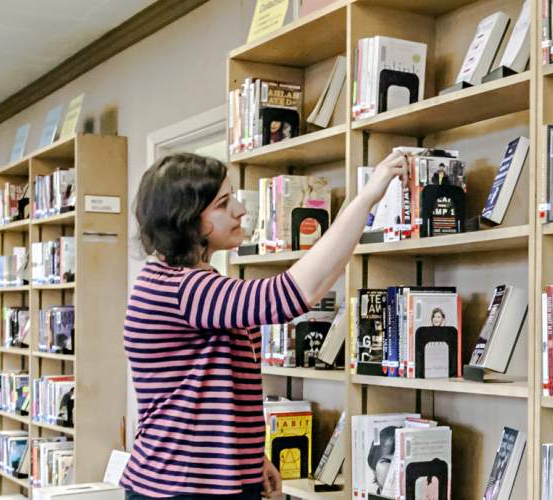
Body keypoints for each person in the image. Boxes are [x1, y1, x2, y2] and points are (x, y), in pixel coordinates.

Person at [121, 150, 408, 499]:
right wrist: (367, 197)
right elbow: (293, 294)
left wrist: (249, 458)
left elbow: (217, 385)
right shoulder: (182, 289)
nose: (240, 210)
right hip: (180, 487)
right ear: (186, 220)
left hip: (212, 479)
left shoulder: (196, 283)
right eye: (224, 203)